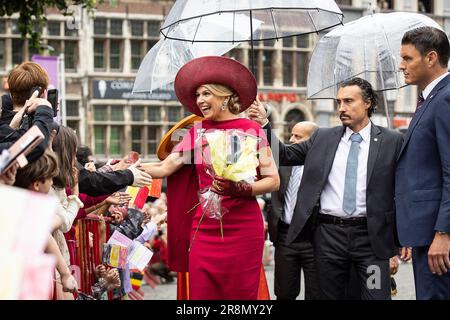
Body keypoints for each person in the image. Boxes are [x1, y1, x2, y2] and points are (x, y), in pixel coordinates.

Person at [249, 77, 403, 300]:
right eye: (339, 102)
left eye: (349, 101)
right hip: (330, 239)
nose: (342, 108)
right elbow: (283, 155)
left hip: (371, 242)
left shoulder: (391, 141)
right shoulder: (323, 138)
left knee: (375, 295)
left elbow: (400, 191)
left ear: (368, 102)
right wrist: (264, 124)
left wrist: (396, 244)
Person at [140, 56, 280, 300]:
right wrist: (125, 169)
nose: (200, 101)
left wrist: (242, 189)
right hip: (204, 228)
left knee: (241, 298)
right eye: (197, 95)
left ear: (224, 96)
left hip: (244, 228)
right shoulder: (194, 130)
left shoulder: (253, 129)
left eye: (206, 94)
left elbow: (273, 181)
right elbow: (165, 168)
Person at [397, 26, 450, 299]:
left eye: (407, 58)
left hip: (437, 238)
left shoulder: (445, 98)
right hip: (425, 233)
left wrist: (444, 232)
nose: (401, 65)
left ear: (431, 58)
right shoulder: (430, 99)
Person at [267, 121, 321, 300]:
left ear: (312, 141)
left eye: (298, 136)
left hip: (315, 239)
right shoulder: (283, 161)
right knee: (284, 293)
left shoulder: (323, 166)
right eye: (291, 135)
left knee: (317, 293)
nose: (291, 140)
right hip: (285, 237)